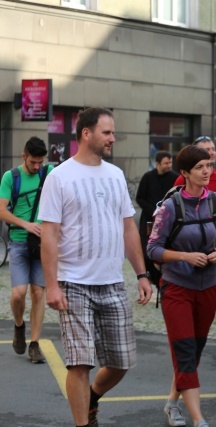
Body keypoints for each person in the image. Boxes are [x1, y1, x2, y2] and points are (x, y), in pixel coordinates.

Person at [39, 107, 154, 427]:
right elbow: (49, 234)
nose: (112, 138)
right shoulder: (59, 176)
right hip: (72, 282)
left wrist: (142, 274)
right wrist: (51, 285)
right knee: (79, 363)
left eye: (112, 132)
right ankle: (83, 423)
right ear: (86, 134)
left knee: (121, 362)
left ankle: (92, 398)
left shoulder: (115, 175)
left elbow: (128, 228)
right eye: (107, 132)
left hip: (112, 282)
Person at [147, 144, 216, 427]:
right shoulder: (170, 206)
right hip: (177, 287)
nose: (207, 171)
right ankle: (198, 419)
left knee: (192, 353)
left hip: (208, 288)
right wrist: (185, 256)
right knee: (184, 351)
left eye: (208, 165)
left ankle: (172, 403)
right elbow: (153, 249)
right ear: (184, 173)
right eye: (199, 167)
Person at [174, 136, 216, 358]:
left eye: (212, 150)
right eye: (205, 151)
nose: (210, 154)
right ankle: (187, 333)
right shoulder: (180, 185)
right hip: (186, 257)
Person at [0, 136, 54, 364]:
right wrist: (25, 224)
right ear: (24, 156)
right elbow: (2, 211)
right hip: (19, 241)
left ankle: (34, 344)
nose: (36, 167)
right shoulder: (10, 177)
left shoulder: (49, 172)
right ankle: (19, 325)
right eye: (33, 162)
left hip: (42, 243)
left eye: (40, 162)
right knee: (18, 293)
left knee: (38, 293)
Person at [135, 150, 178, 285]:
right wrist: (154, 211)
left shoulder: (174, 178)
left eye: (170, 162)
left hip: (167, 221)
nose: (168, 165)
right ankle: (151, 278)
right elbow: (139, 198)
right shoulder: (148, 177)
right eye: (166, 163)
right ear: (157, 163)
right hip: (149, 220)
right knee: (147, 250)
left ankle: (162, 280)